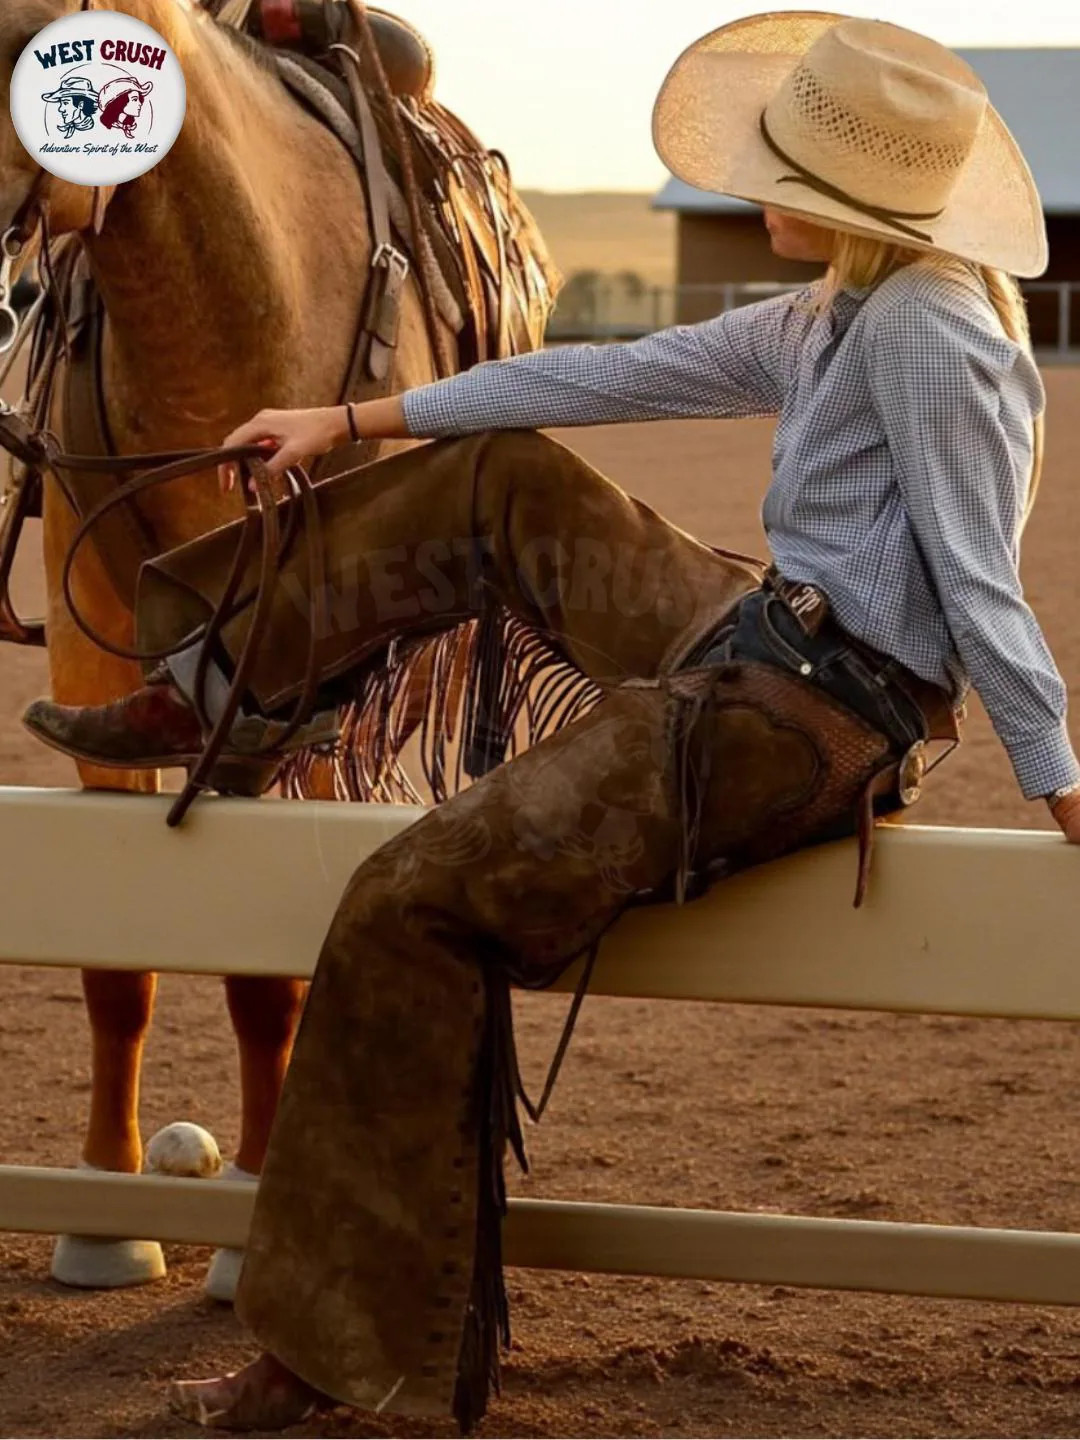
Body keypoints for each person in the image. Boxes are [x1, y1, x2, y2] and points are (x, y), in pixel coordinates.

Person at [23, 10, 1080, 1433]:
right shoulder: (844, 305)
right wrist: (353, 422)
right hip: (761, 635)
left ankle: (356, 1355)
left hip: (803, 713)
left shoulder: (936, 335)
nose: (746, 186)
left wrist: (1065, 791)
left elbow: (979, 591)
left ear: (840, 199)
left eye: (774, 167)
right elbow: (612, 376)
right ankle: (227, 688)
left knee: (406, 902)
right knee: (498, 476)